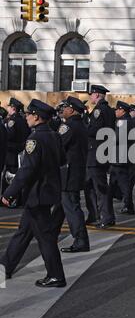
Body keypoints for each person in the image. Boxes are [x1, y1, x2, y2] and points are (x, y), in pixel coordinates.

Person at [0, 99, 66, 287]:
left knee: (45, 238)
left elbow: (27, 170)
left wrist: (9, 192)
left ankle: (56, 275)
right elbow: (61, 160)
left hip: (37, 194)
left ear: (36, 117)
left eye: (29, 114)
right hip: (46, 192)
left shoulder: (35, 139)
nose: (26, 117)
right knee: (23, 233)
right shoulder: (53, 135)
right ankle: (5, 267)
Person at [51, 96, 90, 253]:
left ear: (71, 109)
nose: (63, 110)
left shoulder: (68, 126)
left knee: (71, 207)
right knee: (62, 205)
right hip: (75, 171)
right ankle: (51, 233)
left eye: (65, 108)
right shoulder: (80, 125)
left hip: (68, 172)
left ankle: (81, 239)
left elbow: (57, 145)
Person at [84, 85, 116, 227]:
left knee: (100, 187)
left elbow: (94, 130)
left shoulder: (98, 110)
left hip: (95, 152)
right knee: (90, 186)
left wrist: (84, 127)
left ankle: (106, 216)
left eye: (91, 94)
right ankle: (95, 214)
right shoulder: (109, 110)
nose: (90, 97)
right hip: (102, 152)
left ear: (96, 95)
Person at [106, 101, 135, 222]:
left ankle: (128, 206)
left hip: (120, 157)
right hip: (122, 156)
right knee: (113, 182)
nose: (115, 112)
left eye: (117, 110)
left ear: (122, 110)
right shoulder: (129, 121)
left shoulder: (123, 122)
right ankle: (108, 205)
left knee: (123, 183)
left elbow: (117, 138)